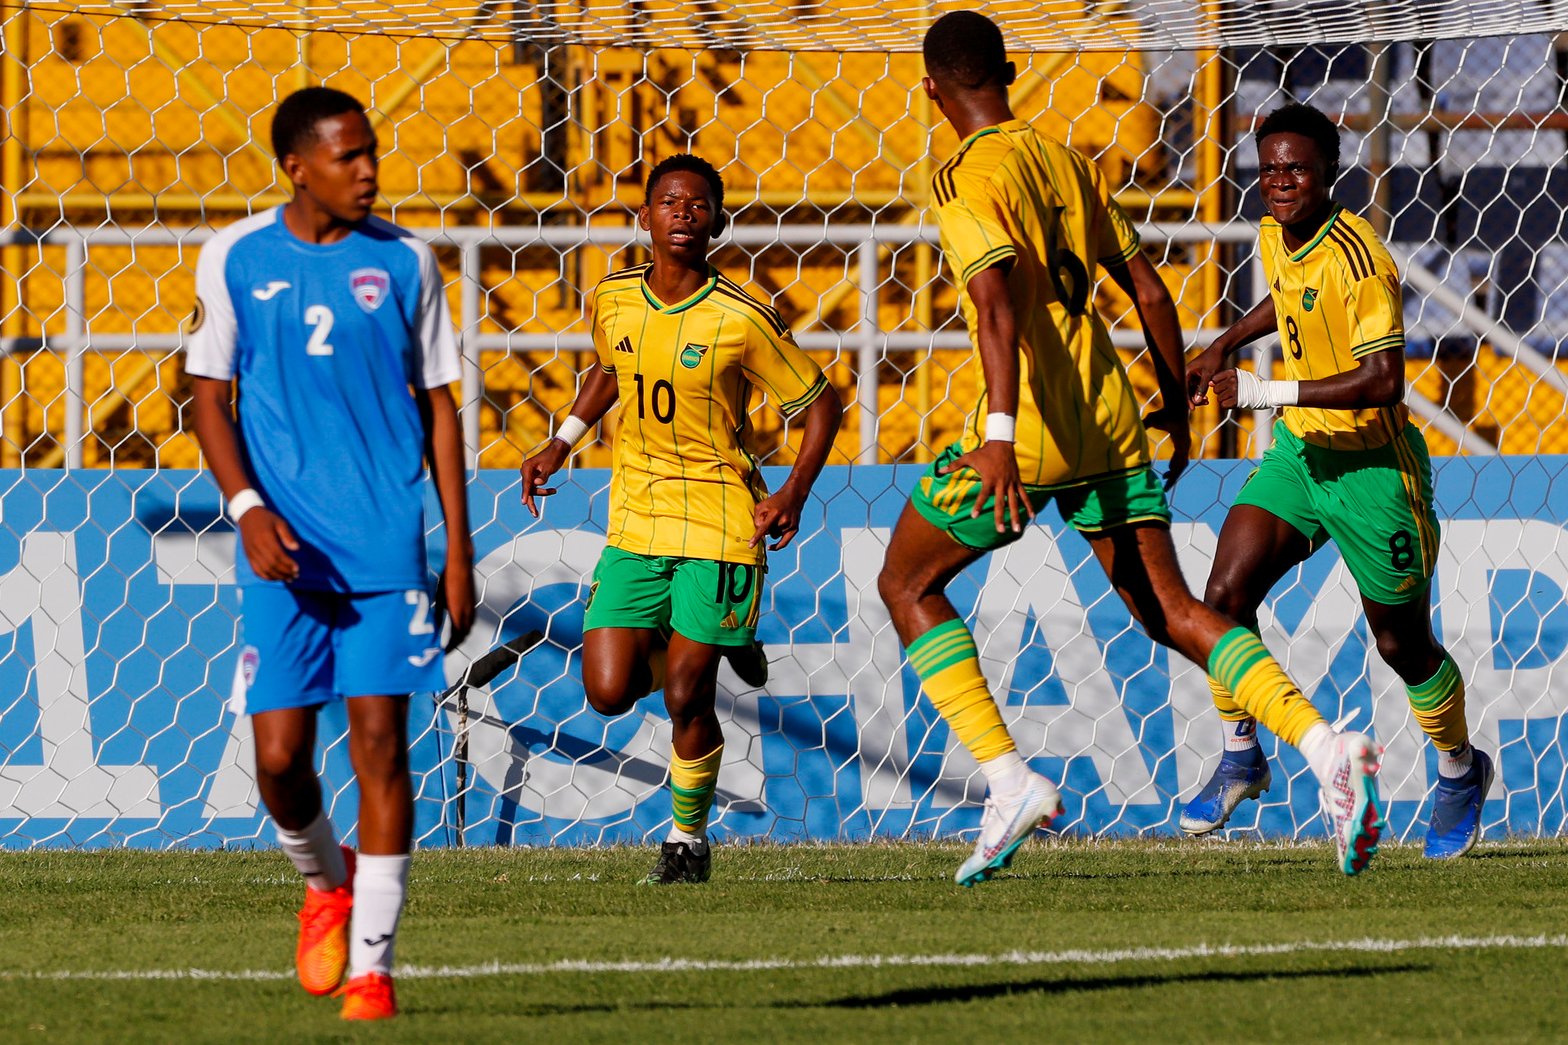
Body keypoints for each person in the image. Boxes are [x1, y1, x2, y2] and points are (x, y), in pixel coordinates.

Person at [877, 11, 1386, 886]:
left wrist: (998, 439)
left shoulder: (962, 177)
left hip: (1031, 423)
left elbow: (996, 304)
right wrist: (1175, 407)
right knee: (1169, 611)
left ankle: (1007, 779)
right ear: (1008, 70)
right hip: (1110, 416)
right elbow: (1147, 287)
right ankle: (1324, 744)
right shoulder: (1067, 161)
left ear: (929, 90)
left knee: (906, 581)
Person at [186, 86, 474, 1020]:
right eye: (347, 157)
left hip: (387, 545)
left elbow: (440, 403)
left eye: (372, 153)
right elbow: (204, 395)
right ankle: (325, 880)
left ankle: (375, 967)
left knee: (383, 746)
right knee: (278, 759)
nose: (368, 171)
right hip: (282, 549)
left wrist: (457, 550)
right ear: (296, 165)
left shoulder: (406, 263)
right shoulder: (236, 256)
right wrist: (245, 507)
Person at [519, 154, 843, 885]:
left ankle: (686, 840)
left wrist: (791, 491)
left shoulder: (742, 316)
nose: (683, 213)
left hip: (722, 521)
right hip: (637, 517)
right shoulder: (613, 298)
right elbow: (609, 366)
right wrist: (559, 441)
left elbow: (821, 402)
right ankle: (708, 638)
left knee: (685, 694)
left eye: (698, 204)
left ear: (719, 221)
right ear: (645, 218)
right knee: (606, 690)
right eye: (669, 202)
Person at [1182, 102, 1490, 858]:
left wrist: (1260, 393)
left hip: (1374, 472)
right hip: (1301, 456)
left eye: (1298, 170)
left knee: (1401, 644)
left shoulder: (1362, 260)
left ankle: (1458, 769)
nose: (1281, 182)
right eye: (1271, 168)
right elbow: (1287, 298)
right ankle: (1241, 752)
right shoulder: (1272, 230)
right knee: (1222, 597)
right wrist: (1224, 342)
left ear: (1329, 175)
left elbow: (1385, 379)